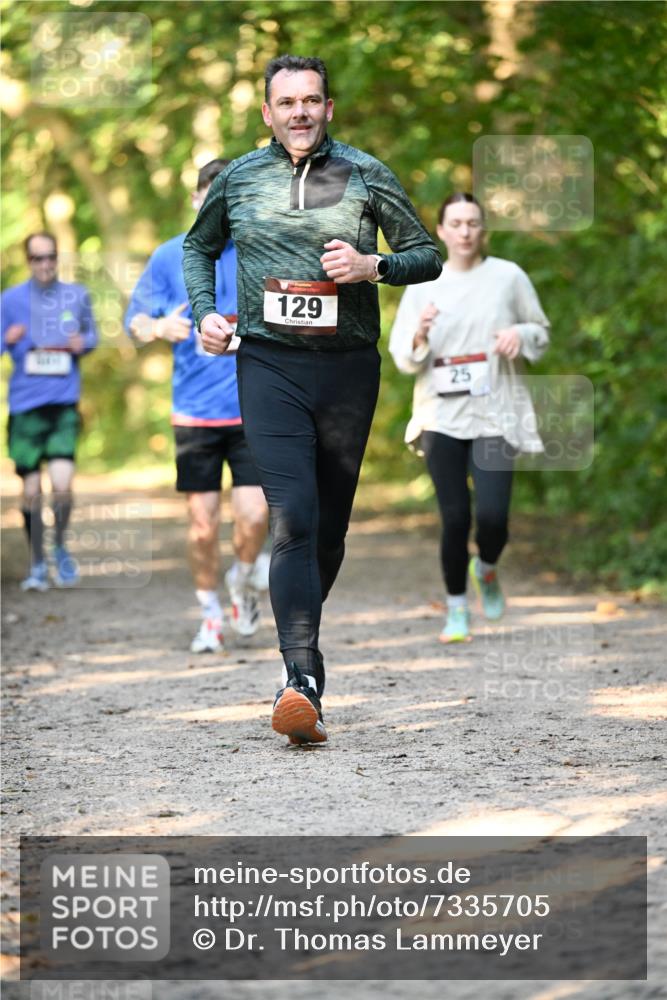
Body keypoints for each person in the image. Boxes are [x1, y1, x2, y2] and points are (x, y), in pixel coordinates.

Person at [183, 54, 442, 744]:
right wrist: (206, 312)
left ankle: (298, 637)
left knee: (327, 530)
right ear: (267, 113)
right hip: (268, 364)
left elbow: (426, 254)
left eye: (311, 100)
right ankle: (301, 678)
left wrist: (372, 266)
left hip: (346, 372)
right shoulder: (239, 178)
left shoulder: (363, 172)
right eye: (286, 102)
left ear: (328, 108)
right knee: (291, 516)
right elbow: (196, 249)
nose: (299, 111)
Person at [389, 192, 550, 643]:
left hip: (498, 413)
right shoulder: (423, 284)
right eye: (455, 223)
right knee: (455, 518)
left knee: (494, 517)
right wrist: (420, 333)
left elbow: (541, 331)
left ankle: (489, 568)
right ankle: (457, 608)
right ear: (440, 231)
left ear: (484, 230)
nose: (464, 232)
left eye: (473, 223)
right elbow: (403, 355)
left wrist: (520, 334)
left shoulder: (508, 278)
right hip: (441, 417)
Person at [125, 159, 270, 654]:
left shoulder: (257, 252)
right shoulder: (170, 256)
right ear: (195, 201)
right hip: (195, 413)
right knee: (204, 525)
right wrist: (158, 327)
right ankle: (210, 614)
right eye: (210, 197)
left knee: (253, 517)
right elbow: (135, 323)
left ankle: (245, 579)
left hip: (252, 406)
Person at [1, 232, 98, 590]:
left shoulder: (78, 295)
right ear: (28, 261)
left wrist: (81, 344)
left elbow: (92, 338)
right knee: (30, 491)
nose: (45, 264)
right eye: (37, 258)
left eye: (51, 257)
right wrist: (6, 339)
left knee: (62, 487)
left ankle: (58, 546)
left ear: (58, 258)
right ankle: (37, 562)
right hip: (26, 408)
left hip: (62, 405)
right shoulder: (9, 300)